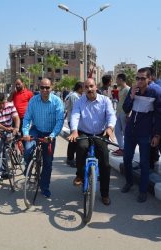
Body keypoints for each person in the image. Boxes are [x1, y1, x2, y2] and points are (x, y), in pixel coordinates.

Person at [68, 78, 116, 206]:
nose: (89, 89)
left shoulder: (105, 100)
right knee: (81, 147)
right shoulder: (79, 101)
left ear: (96, 87)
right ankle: (79, 174)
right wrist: (74, 130)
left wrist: (110, 127)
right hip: (84, 132)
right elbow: (75, 115)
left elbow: (111, 115)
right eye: (86, 87)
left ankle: (105, 194)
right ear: (83, 89)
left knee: (105, 163)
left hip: (101, 133)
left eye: (91, 86)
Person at [121, 67, 161, 203]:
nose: (139, 81)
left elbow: (159, 115)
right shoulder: (134, 90)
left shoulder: (156, 92)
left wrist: (157, 135)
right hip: (130, 132)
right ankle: (129, 182)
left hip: (145, 133)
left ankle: (143, 190)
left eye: (142, 78)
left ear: (149, 79)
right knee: (126, 159)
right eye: (137, 78)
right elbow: (126, 109)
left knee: (144, 163)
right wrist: (131, 96)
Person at [22, 78, 64, 198]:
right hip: (36, 129)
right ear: (38, 88)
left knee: (48, 162)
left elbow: (60, 121)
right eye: (42, 87)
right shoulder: (33, 101)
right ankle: (28, 166)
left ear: (51, 88)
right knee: (28, 149)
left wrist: (51, 136)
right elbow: (27, 119)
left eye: (47, 87)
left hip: (50, 133)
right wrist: (25, 133)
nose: (45, 90)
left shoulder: (57, 101)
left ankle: (44, 187)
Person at [65, 82, 83, 167]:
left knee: (75, 140)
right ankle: (70, 158)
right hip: (73, 120)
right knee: (74, 140)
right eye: (83, 87)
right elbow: (77, 109)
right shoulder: (74, 96)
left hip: (73, 120)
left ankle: (71, 158)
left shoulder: (74, 95)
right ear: (79, 88)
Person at [112, 74, 130, 157]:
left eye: (117, 79)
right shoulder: (120, 89)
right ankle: (121, 148)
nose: (116, 80)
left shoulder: (127, 89)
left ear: (121, 79)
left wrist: (129, 113)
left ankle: (126, 149)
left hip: (124, 113)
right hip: (119, 112)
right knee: (117, 131)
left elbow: (130, 102)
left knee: (125, 132)